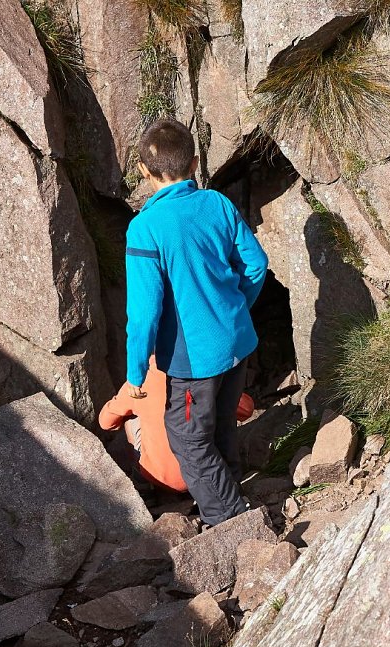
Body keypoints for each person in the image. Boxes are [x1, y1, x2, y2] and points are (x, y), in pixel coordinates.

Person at [123, 118, 268, 526]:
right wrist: (236, 306)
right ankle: (231, 487)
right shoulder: (217, 204)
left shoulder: (145, 229)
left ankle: (229, 519)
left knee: (188, 438)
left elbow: (145, 311)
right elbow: (256, 264)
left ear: (143, 171)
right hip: (236, 343)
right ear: (196, 162)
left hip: (193, 361)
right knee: (221, 424)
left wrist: (136, 371)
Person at [98, 356, 255, 492]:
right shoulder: (202, 374)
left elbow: (105, 422)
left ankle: (142, 481)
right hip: (207, 474)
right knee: (219, 411)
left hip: (158, 476)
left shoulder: (140, 381)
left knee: (130, 417)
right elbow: (246, 410)